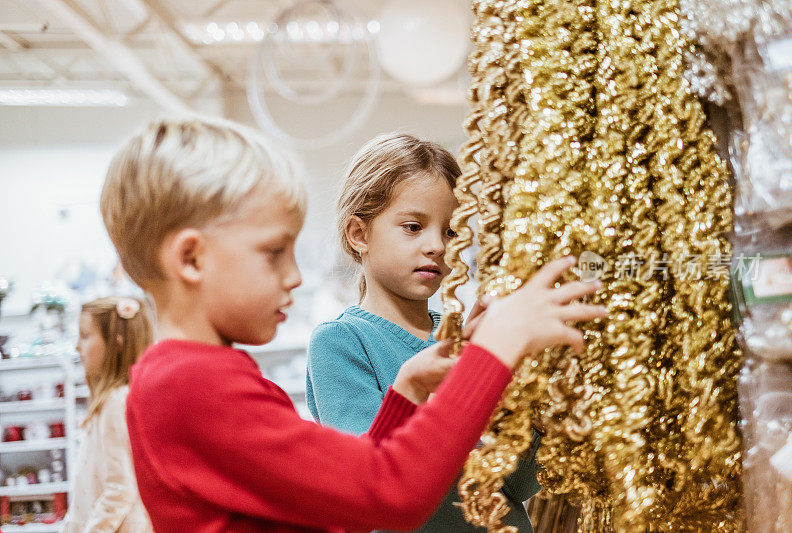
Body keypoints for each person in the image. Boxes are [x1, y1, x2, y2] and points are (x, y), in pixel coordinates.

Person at [100, 116, 606, 532]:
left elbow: (347, 489)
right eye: (274, 253)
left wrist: (408, 387)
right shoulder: (192, 384)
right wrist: (493, 352)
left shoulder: (186, 376)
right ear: (191, 259)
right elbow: (387, 494)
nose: (295, 277)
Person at [306, 133, 540, 532]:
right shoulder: (340, 343)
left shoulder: (465, 339)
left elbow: (517, 485)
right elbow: (374, 480)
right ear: (358, 234)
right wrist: (470, 382)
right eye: (413, 227)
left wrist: (518, 389)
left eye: (451, 232)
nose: (436, 245)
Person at [64, 296, 153, 533]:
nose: (77, 346)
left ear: (117, 343)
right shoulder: (112, 400)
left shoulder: (116, 402)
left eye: (84, 336)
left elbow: (120, 488)